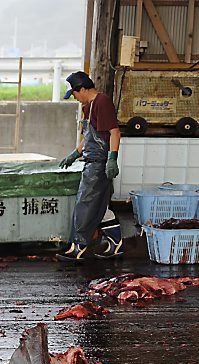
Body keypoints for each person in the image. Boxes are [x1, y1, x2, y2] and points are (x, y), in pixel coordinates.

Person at [57, 71, 123, 261]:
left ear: (83, 89)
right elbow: (88, 137)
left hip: (99, 164)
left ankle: (79, 246)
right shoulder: (89, 107)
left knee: (85, 205)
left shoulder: (102, 102)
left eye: (75, 94)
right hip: (90, 161)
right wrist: (75, 153)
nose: (76, 99)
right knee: (99, 206)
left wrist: (112, 158)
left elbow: (114, 133)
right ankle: (115, 243)